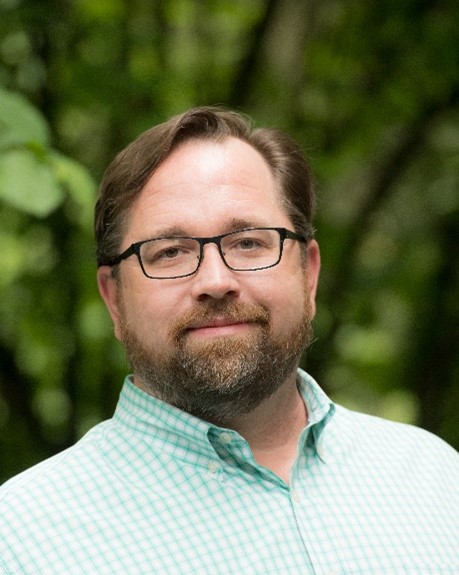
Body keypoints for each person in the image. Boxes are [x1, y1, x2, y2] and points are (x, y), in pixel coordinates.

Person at [0, 107, 457, 574]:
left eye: (248, 243)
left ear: (309, 275)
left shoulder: (436, 478)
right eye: (171, 252)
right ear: (114, 299)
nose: (215, 280)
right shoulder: (21, 541)